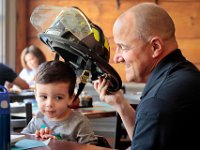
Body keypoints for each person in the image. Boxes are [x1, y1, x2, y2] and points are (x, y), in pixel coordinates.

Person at [94, 2, 200, 150]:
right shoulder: (186, 74)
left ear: (155, 47)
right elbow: (147, 140)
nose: (117, 58)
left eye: (123, 47)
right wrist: (120, 104)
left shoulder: (158, 102)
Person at [21, 60, 97, 145]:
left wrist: (59, 145)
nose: (49, 104)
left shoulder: (80, 123)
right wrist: (35, 138)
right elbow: (21, 141)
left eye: (58, 98)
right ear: (36, 95)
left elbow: (91, 148)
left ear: (71, 98)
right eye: (44, 97)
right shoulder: (37, 119)